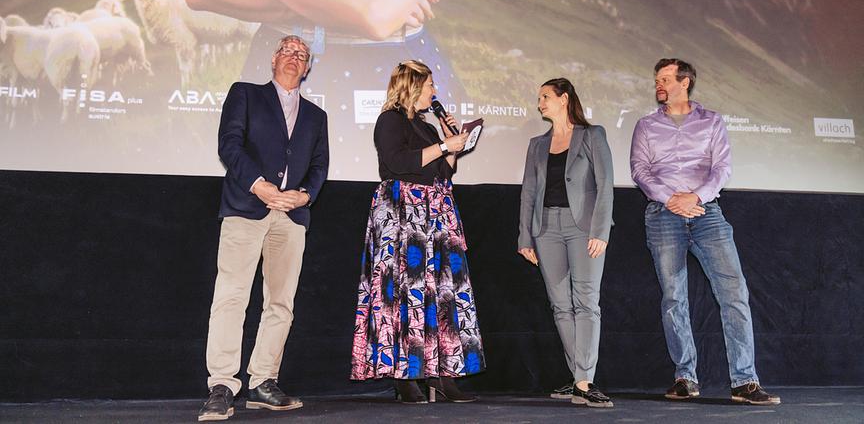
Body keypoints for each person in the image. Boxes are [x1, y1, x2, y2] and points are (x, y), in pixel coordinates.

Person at [184, 0, 469, 182]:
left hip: (387, 67)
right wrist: (343, 5)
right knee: (269, 206)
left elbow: (375, 13)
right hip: (281, 56)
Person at [629, 58, 780, 405]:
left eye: (665, 78)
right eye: (657, 79)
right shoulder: (646, 125)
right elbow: (640, 171)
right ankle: (685, 377)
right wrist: (672, 199)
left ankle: (744, 381)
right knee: (673, 298)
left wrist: (695, 197)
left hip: (708, 213)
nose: (659, 84)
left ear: (685, 82)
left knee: (734, 293)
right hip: (663, 214)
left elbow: (722, 167)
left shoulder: (711, 121)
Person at [199, 35, 329, 421]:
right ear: (273, 60)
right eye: (288, 51)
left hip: (291, 217)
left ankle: (262, 382)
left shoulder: (316, 116)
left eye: (301, 55)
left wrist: (304, 196)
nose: (294, 57)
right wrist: (261, 185)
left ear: (307, 69)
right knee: (231, 297)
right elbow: (230, 146)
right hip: (246, 207)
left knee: (280, 303)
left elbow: (319, 166)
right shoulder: (245, 94)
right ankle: (221, 385)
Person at [350, 60, 485, 404]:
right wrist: (443, 147)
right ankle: (403, 375)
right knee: (404, 291)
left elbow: (443, 171)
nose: (434, 92)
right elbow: (397, 162)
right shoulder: (389, 121)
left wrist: (453, 145)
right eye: (429, 86)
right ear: (411, 86)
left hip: (434, 215)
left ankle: (441, 373)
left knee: (439, 293)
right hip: (402, 215)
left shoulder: (426, 126)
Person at [517, 78, 614, 408]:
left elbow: (605, 186)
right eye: (539, 97)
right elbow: (529, 192)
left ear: (564, 98)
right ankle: (579, 379)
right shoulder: (537, 144)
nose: (540, 102)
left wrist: (601, 231)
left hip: (583, 228)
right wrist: (525, 236)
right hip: (546, 230)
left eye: (545, 96)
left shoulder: (592, 135)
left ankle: (584, 379)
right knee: (561, 305)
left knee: (586, 302)